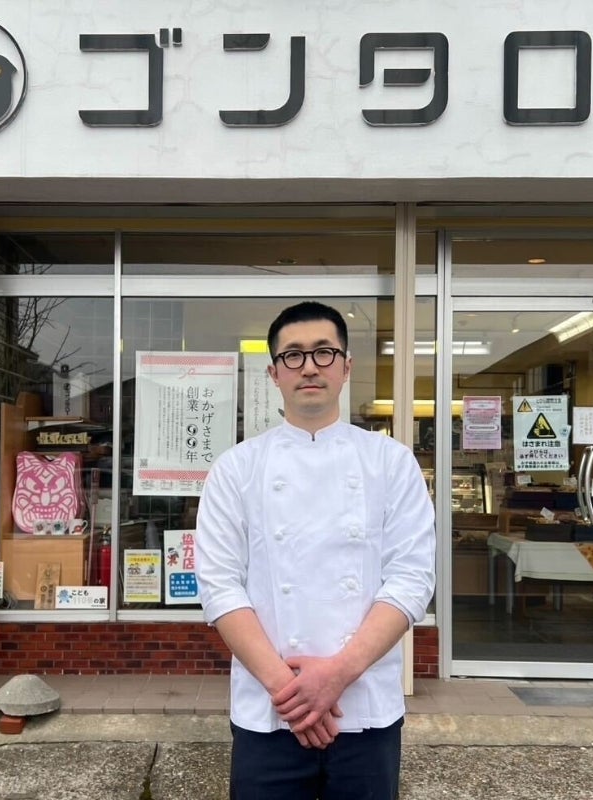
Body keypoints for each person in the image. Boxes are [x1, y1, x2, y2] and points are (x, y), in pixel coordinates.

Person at [195, 301, 436, 799]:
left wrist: (335, 677)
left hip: (365, 707)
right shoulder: (236, 468)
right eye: (293, 355)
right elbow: (220, 587)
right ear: (273, 373)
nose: (309, 367)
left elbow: (411, 581)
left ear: (346, 367)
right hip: (269, 709)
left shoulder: (391, 462)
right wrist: (291, 692)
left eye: (324, 352)